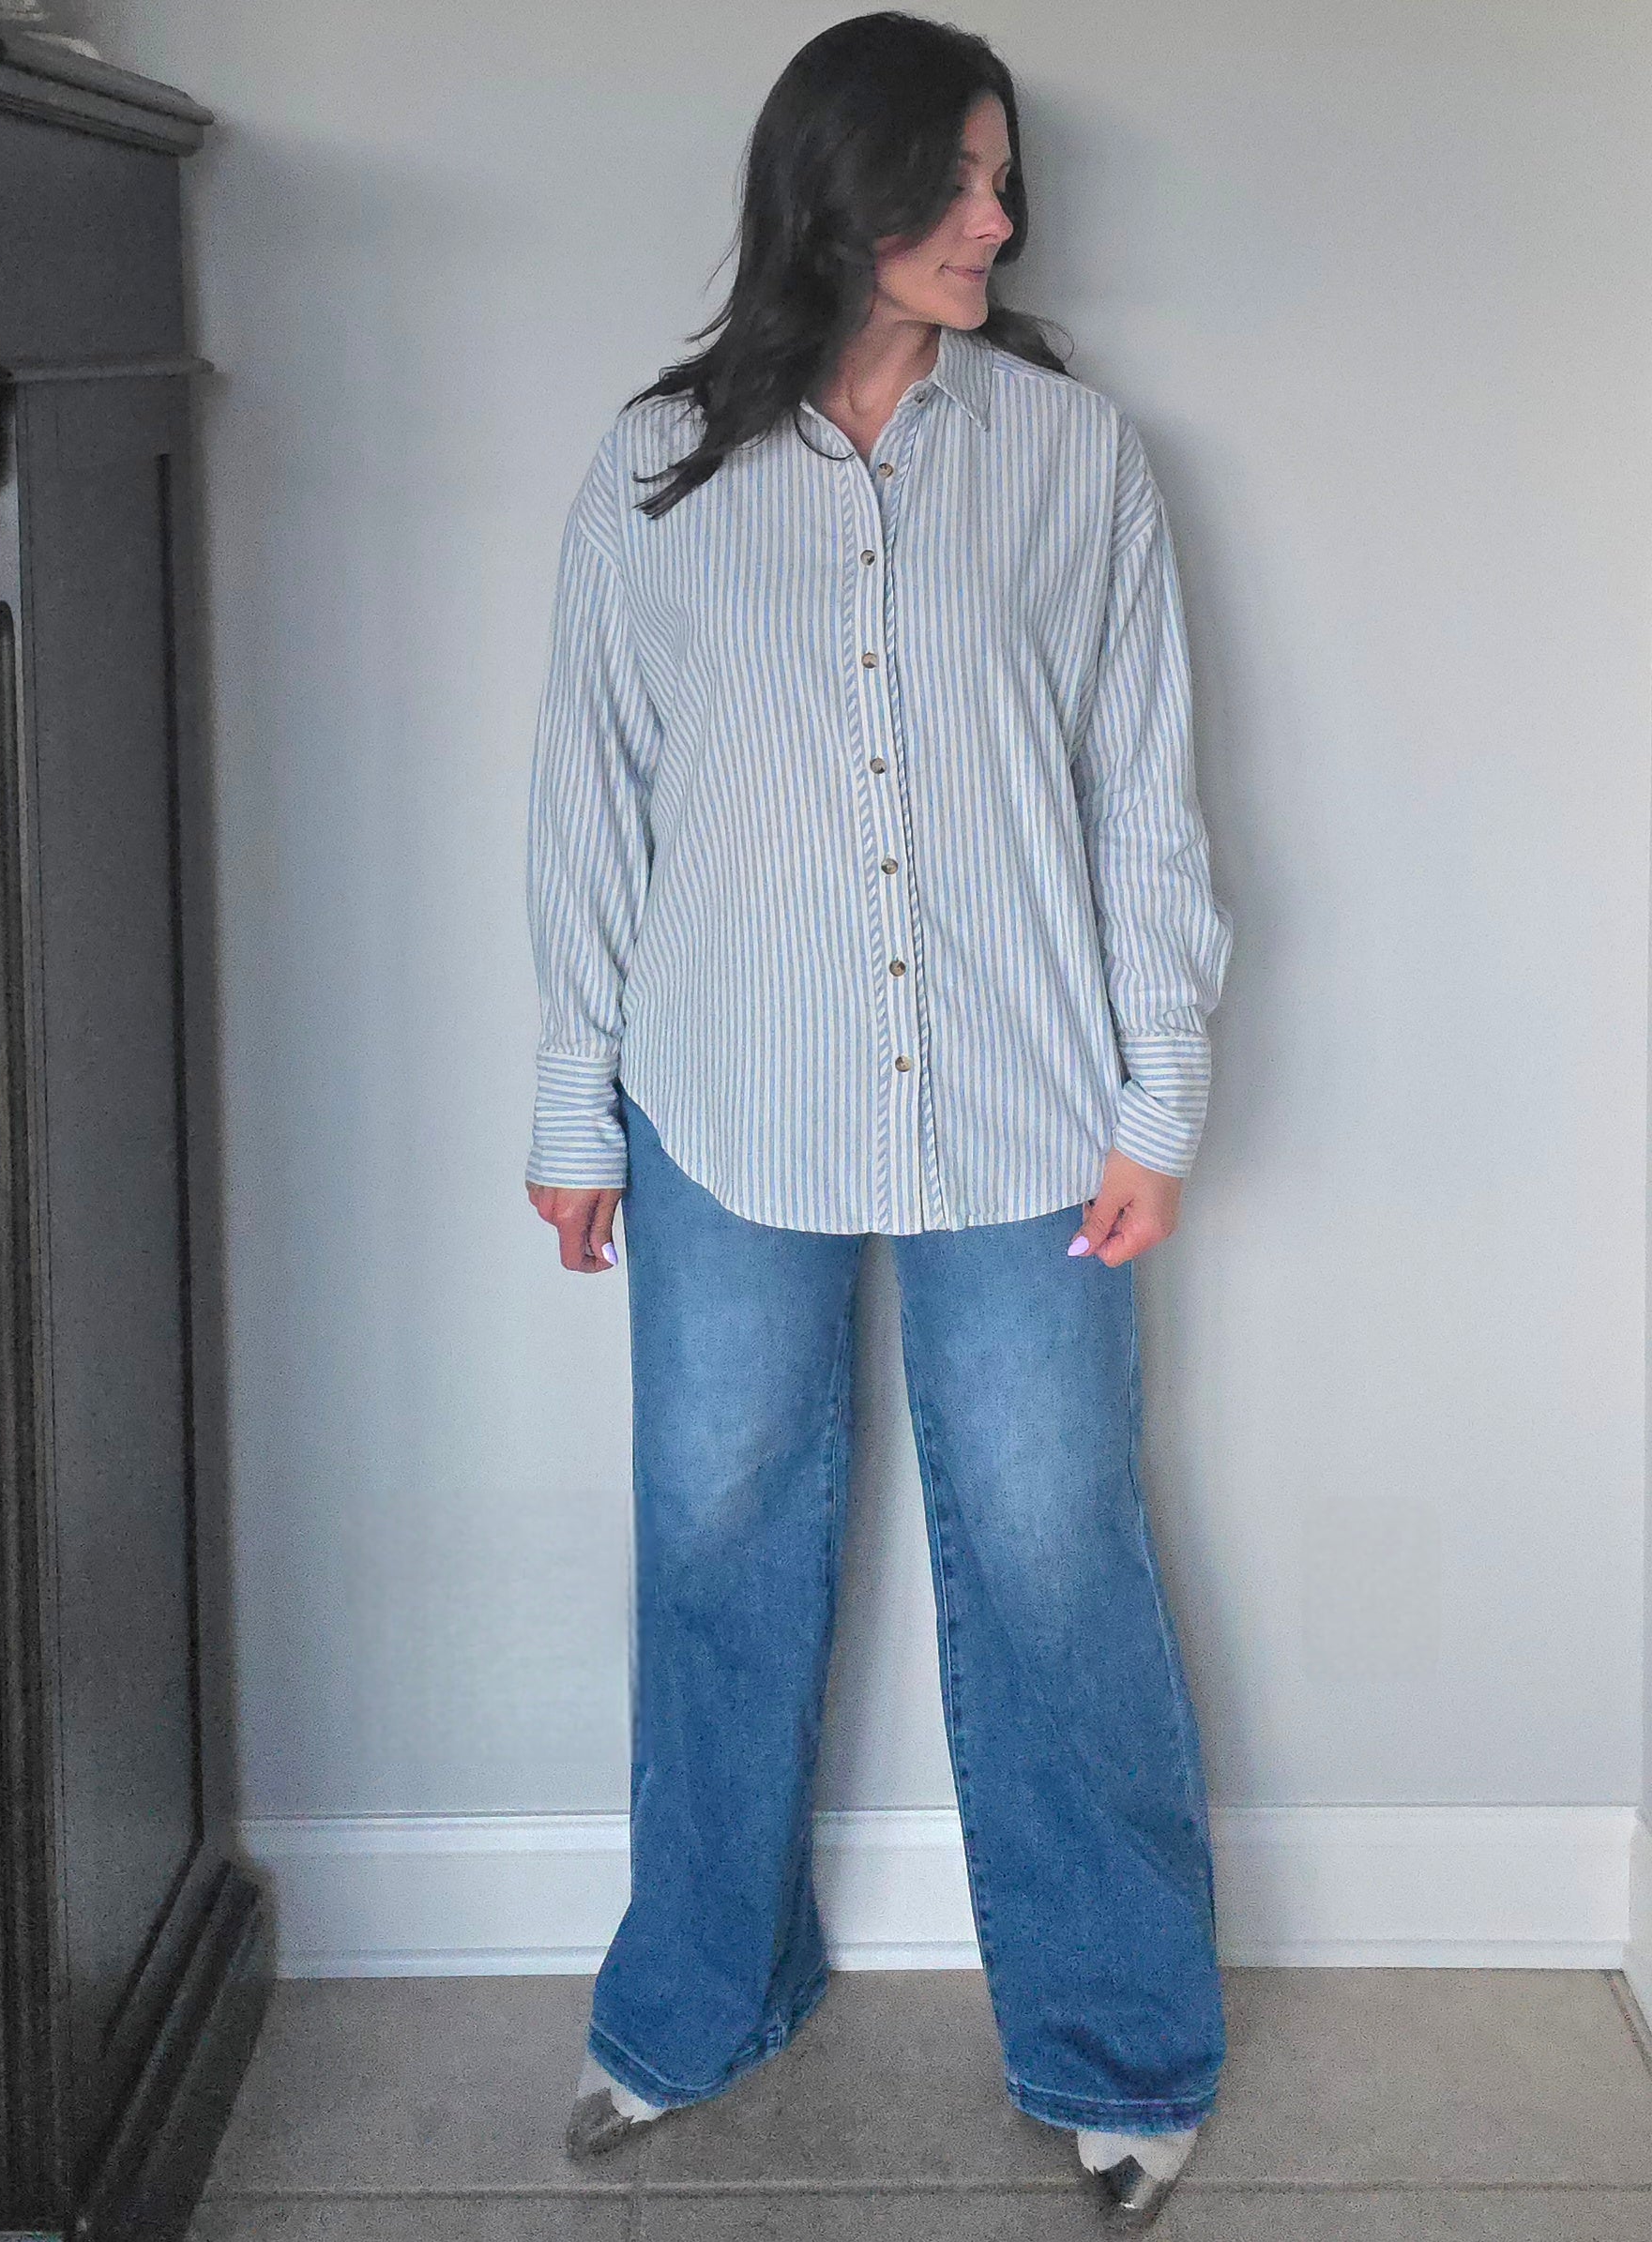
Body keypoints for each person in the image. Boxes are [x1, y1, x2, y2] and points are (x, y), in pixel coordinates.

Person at [523, 12, 1233, 2228]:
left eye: (1006, 181)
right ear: (835, 188)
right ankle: (693, 2000)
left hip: (1024, 1110)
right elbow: (587, 799)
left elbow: (1140, 792)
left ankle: (1116, 2042)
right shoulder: (657, 465)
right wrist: (573, 1104)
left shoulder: (1073, 455)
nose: (995, 220)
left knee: (1053, 1553)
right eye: (956, 177)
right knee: (712, 1540)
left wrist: (1158, 1090)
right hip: (721, 1098)